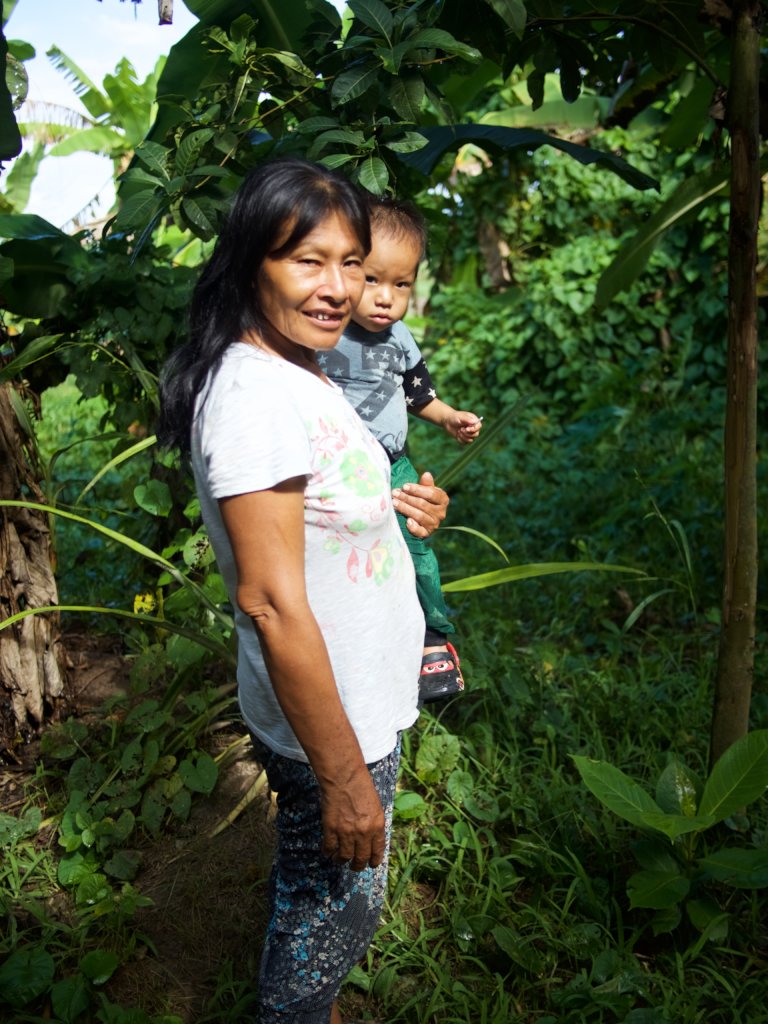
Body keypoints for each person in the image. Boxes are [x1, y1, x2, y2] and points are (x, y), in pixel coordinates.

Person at [157, 158, 449, 1024]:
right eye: (307, 261)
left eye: (351, 262)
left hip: (353, 704)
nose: (338, 288)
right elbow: (274, 602)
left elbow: (324, 513)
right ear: (253, 262)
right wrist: (345, 783)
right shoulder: (254, 398)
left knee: (332, 909)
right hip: (334, 724)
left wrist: (400, 509)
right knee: (327, 920)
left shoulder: (298, 367)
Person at [321, 198, 482, 704]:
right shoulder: (324, 332)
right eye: (371, 279)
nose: (385, 298)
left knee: (416, 547)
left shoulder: (400, 337)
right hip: (339, 465)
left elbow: (420, 395)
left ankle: (433, 637)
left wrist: (450, 416)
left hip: (395, 463)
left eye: (402, 284)